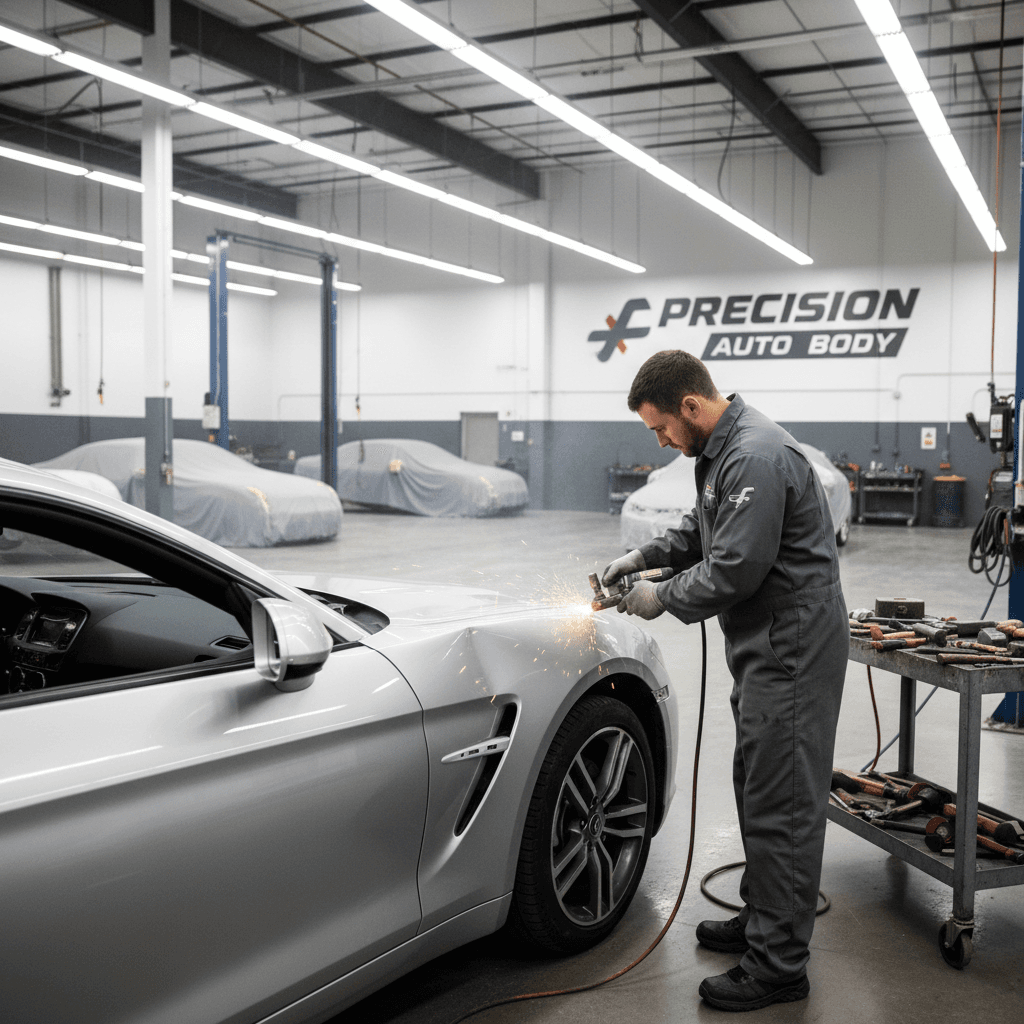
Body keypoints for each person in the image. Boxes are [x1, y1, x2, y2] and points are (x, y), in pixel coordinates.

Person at [602, 350, 847, 1012]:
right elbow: (704, 530)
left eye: (660, 429)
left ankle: (778, 964)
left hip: (792, 649)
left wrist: (661, 598)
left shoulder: (757, 454)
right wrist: (647, 556)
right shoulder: (721, 451)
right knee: (757, 785)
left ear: (690, 406)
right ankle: (762, 917)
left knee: (784, 803)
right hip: (765, 647)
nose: (660, 441)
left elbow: (736, 566)